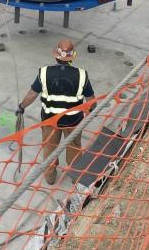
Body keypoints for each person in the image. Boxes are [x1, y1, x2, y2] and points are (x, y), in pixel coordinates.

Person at [17, 39, 95, 185]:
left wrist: (21, 106)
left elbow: (32, 95)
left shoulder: (44, 73)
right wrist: (89, 113)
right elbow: (92, 101)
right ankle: (76, 175)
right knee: (74, 148)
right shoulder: (82, 75)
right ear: (72, 57)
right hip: (74, 121)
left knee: (50, 148)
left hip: (50, 121)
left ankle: (50, 176)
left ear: (56, 56)